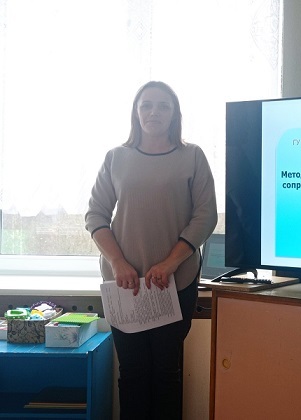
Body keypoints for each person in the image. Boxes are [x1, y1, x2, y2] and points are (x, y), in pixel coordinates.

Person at [85, 81, 217, 420]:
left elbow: (205, 216)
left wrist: (171, 263)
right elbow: (95, 215)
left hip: (175, 283)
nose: (154, 112)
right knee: (132, 372)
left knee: (166, 373)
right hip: (124, 284)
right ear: (136, 112)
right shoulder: (116, 158)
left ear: (175, 114)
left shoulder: (192, 156)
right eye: (146, 105)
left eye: (163, 105)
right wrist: (118, 262)